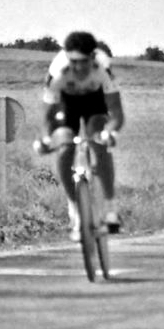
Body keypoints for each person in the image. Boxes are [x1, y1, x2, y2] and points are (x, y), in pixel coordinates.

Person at [33, 31, 125, 242]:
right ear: (67, 57)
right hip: (67, 104)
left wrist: (110, 132)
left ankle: (111, 208)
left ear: (93, 57)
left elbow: (117, 113)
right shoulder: (58, 70)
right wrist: (45, 139)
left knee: (99, 140)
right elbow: (46, 117)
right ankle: (74, 207)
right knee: (64, 148)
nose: (78, 67)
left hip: (95, 102)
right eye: (73, 61)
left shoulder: (103, 68)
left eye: (83, 61)